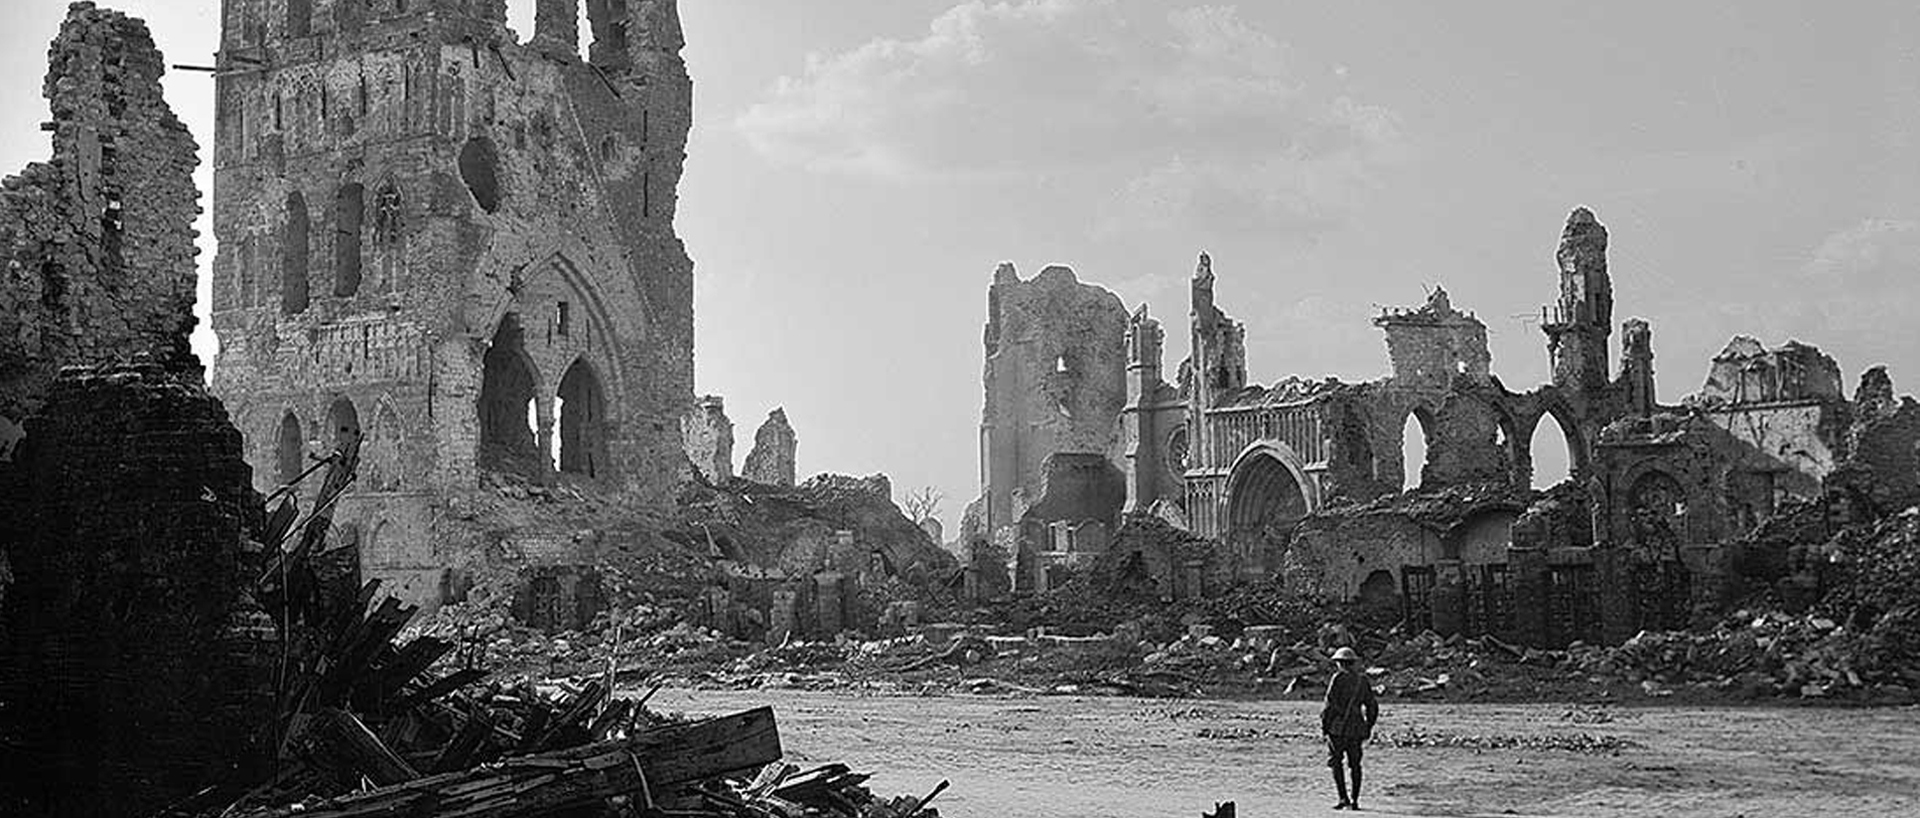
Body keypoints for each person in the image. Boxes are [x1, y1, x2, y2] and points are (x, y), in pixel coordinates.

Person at [1321, 645, 1379, 810]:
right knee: (1355, 765)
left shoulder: (1337, 678)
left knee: (1336, 763)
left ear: (1339, 663)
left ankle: (1343, 798)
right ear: (1353, 662)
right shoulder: (1363, 681)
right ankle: (1355, 801)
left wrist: (1324, 727)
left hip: (1337, 729)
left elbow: (1329, 705)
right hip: (1356, 729)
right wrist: (1368, 726)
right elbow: (1372, 707)